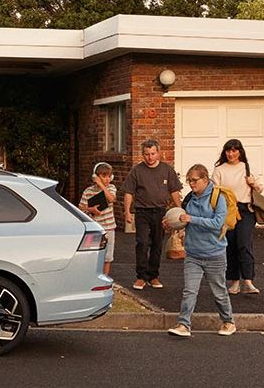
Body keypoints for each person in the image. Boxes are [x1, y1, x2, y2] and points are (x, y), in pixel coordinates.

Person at [165, 164, 236, 337]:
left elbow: (217, 223)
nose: (191, 184)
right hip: (193, 254)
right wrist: (172, 222)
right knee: (189, 290)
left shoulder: (217, 197)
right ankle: (183, 324)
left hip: (214, 254)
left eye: (194, 180)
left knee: (219, 292)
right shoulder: (189, 198)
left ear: (205, 179)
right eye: (189, 181)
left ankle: (228, 321)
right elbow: (182, 219)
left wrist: (192, 219)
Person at [121, 139, 182, 290]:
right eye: (146, 154)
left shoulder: (167, 170)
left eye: (153, 154)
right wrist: (127, 212)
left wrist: (180, 209)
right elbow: (129, 192)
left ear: (159, 153)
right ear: (143, 154)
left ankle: (153, 276)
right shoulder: (137, 171)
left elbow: (174, 191)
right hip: (142, 212)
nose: (150, 157)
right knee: (142, 243)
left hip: (161, 213)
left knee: (157, 244)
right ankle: (141, 277)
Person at [212, 139, 264, 295]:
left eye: (234, 150)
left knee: (244, 243)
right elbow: (215, 191)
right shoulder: (219, 170)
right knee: (230, 246)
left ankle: (248, 281)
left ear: (240, 152)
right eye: (228, 150)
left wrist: (252, 183)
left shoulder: (247, 168)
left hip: (246, 210)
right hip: (228, 210)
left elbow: (260, 189)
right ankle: (234, 282)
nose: (231, 154)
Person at [79, 162, 117, 275]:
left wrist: (101, 186)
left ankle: (104, 278)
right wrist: (91, 210)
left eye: (109, 176)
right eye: (103, 176)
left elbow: (111, 199)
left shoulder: (111, 188)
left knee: (108, 256)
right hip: (95, 228)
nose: (107, 179)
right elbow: (80, 208)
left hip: (109, 228)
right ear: (95, 177)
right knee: (93, 255)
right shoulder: (88, 191)